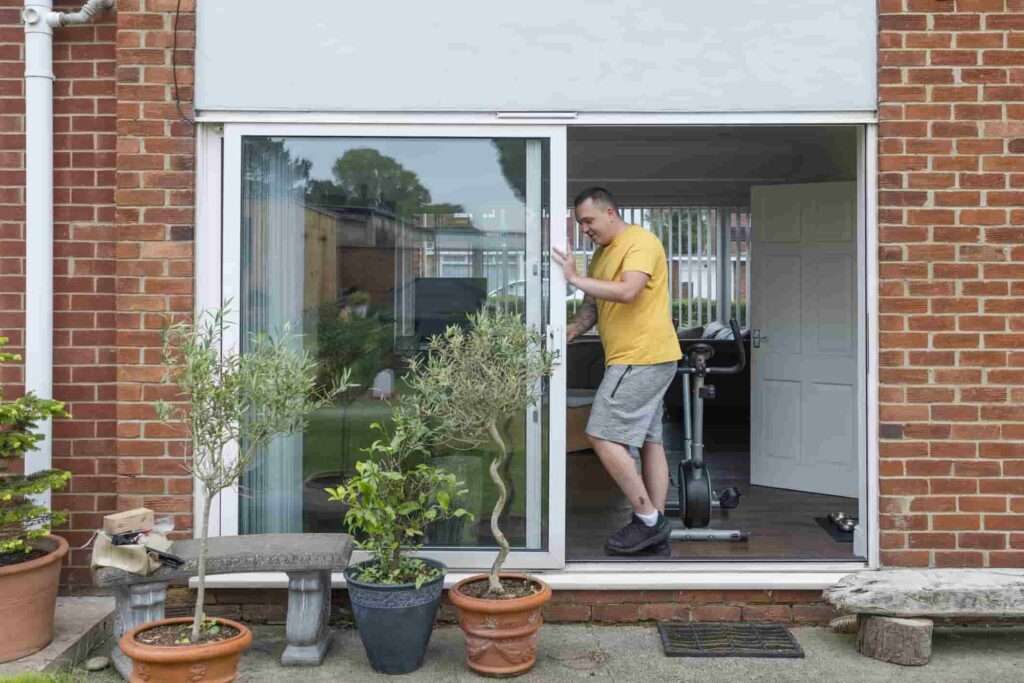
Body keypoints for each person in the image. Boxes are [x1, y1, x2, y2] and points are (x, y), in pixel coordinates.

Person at [552, 187, 681, 555]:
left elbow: (628, 292)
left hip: (640, 357)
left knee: (600, 434)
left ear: (611, 212)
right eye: (580, 223)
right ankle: (656, 526)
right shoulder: (600, 255)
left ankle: (646, 518)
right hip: (643, 358)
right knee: (651, 440)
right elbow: (593, 307)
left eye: (589, 221)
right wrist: (569, 333)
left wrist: (574, 278)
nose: (585, 229)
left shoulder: (640, 242)